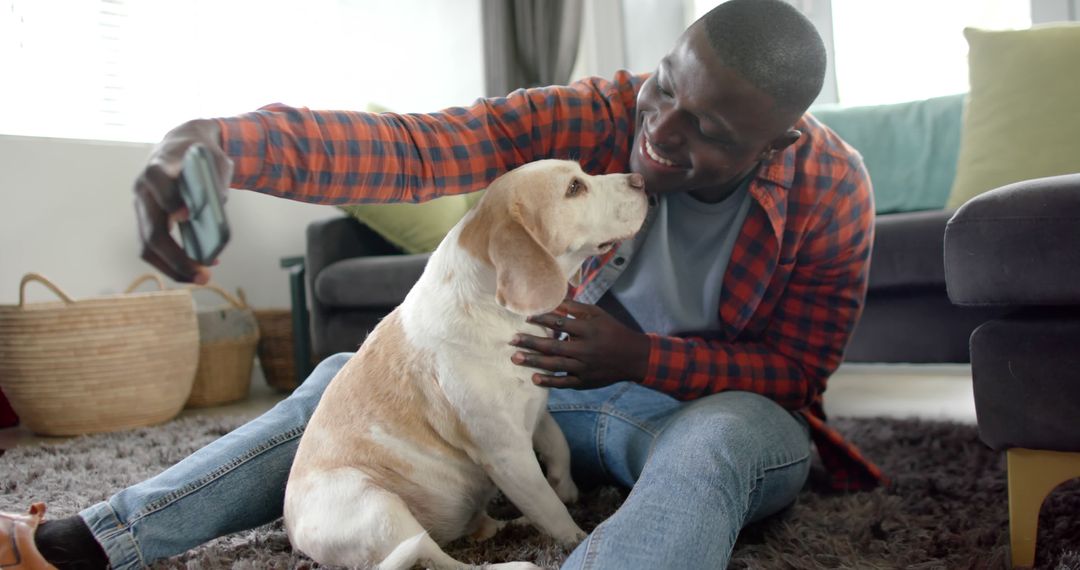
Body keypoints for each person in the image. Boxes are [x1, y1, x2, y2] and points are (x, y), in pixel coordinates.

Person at [2, 1, 885, 568]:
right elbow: (421, 146)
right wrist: (215, 143)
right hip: (555, 399)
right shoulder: (603, 110)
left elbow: (795, 374)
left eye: (704, 130)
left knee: (717, 445)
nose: (656, 136)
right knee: (344, 382)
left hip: (703, 410)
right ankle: (94, 541)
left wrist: (645, 356)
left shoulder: (829, 191)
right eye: (663, 93)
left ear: (775, 146)